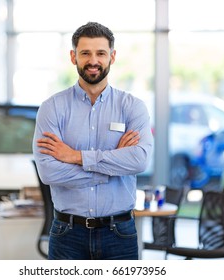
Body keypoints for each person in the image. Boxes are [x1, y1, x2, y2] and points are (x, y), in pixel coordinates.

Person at [33, 22, 153, 260]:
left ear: (112, 56)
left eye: (101, 53)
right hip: (67, 234)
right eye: (85, 53)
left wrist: (76, 157)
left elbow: (140, 161)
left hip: (119, 233)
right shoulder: (52, 108)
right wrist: (112, 167)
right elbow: (49, 172)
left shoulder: (132, 107)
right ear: (73, 56)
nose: (93, 60)